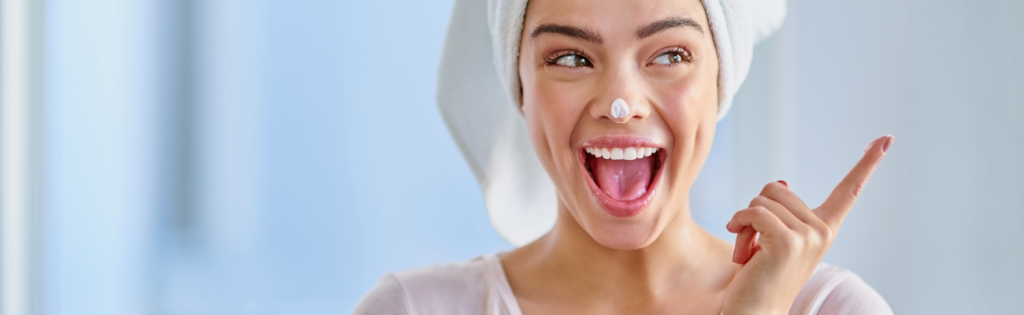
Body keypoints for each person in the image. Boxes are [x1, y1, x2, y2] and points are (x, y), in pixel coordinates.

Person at [354, 0, 894, 313]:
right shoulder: (412, 310)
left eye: (670, 54)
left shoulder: (828, 309)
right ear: (518, 86)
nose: (620, 103)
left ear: (721, 78)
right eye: (570, 58)